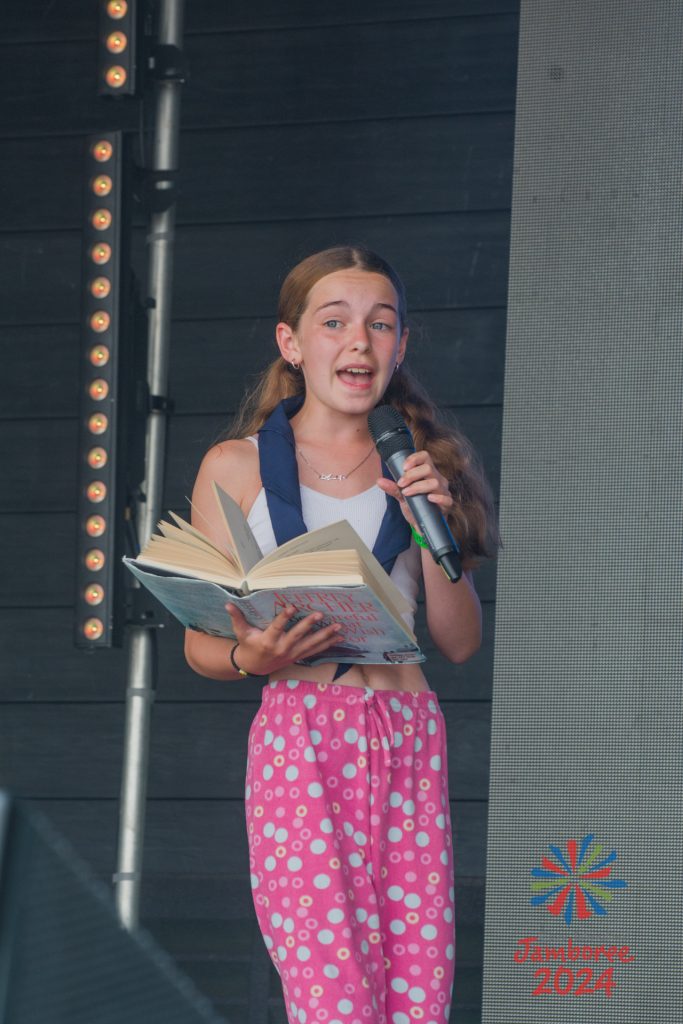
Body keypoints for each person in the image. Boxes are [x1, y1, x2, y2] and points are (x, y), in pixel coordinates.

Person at [185, 246, 499, 1024]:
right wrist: (247, 656)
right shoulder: (234, 466)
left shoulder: (423, 466)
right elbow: (200, 646)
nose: (358, 340)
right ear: (292, 344)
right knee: (333, 997)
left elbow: (458, 643)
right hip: (302, 733)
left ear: (400, 347)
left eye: (379, 324)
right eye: (334, 322)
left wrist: (435, 530)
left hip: (408, 730)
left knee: (415, 994)